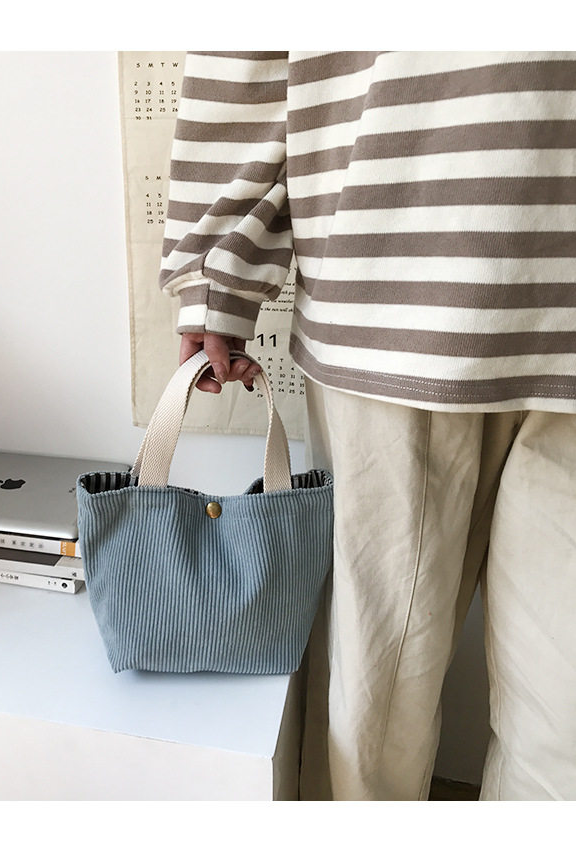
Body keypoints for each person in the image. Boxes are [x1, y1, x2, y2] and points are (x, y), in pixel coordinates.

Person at [158, 51, 576, 801]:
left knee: (564, 737)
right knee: (374, 712)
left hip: (402, 290)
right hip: (394, 289)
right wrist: (214, 275)